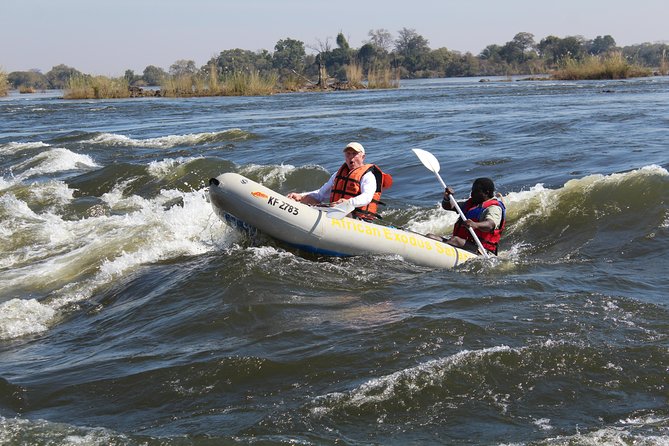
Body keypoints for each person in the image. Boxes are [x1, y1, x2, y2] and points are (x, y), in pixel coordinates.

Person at [287, 142, 392, 220]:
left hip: (358, 218)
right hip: (336, 212)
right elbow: (320, 194)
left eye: (354, 154)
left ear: (363, 157)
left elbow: (367, 197)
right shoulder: (338, 174)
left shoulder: (368, 176)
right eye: (348, 154)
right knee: (308, 199)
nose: (351, 158)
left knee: (340, 211)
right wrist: (301, 196)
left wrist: (348, 202)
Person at [427, 178, 506, 255]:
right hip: (465, 244)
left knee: (455, 240)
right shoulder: (471, 204)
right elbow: (449, 206)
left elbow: (490, 225)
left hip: (483, 250)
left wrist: (475, 224)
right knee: (430, 237)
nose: (472, 193)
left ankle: (438, 255)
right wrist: (447, 197)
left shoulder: (494, 208)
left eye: (475, 191)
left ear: (486, 192)